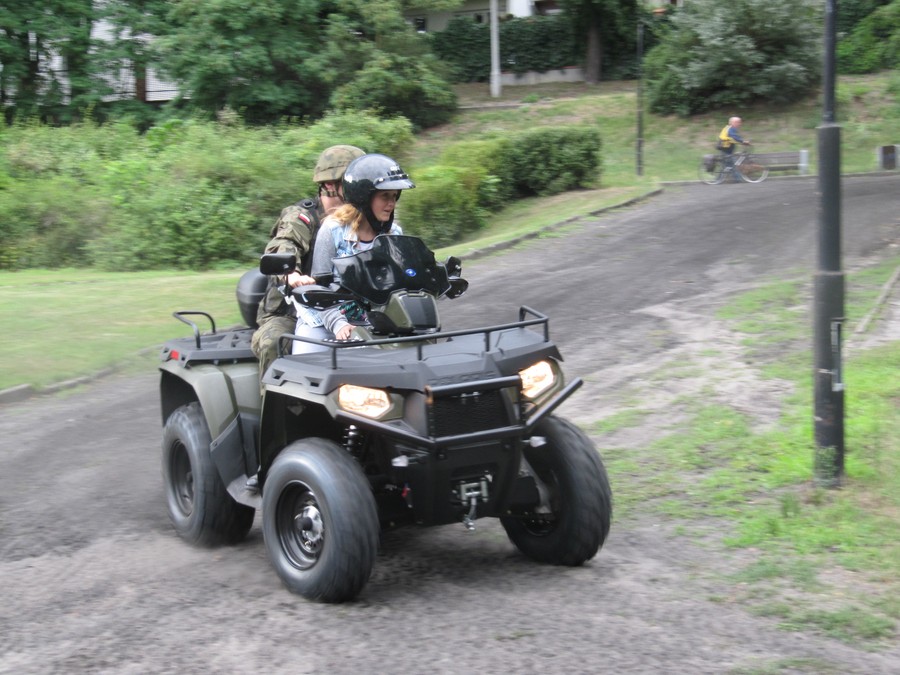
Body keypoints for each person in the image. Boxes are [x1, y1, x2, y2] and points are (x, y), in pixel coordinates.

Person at [250, 144, 365, 381]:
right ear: (331, 185)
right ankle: (276, 415)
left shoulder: (363, 218)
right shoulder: (302, 217)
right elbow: (284, 242)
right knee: (274, 344)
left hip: (347, 310)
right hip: (292, 310)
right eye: (353, 183)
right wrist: (291, 273)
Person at [293, 153, 416, 352]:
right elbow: (321, 290)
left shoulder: (394, 234)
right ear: (363, 196)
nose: (391, 203)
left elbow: (402, 283)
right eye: (385, 195)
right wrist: (339, 324)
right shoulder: (333, 230)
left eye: (394, 196)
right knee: (306, 367)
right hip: (325, 322)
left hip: (374, 323)